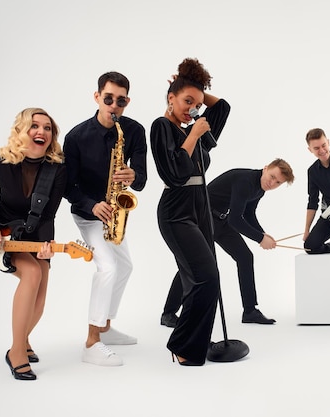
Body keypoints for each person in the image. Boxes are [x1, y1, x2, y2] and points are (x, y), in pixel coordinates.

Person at [63, 71, 147, 366]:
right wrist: (92, 204)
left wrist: (134, 174)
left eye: (120, 101)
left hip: (115, 213)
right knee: (108, 267)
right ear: (97, 97)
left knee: (125, 265)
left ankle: (105, 327)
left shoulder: (134, 131)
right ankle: (91, 342)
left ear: (127, 101)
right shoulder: (76, 137)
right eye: (108, 98)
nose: (114, 106)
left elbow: (143, 179)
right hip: (88, 214)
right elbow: (67, 187)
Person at [150, 57, 231, 366]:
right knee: (205, 277)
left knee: (200, 278)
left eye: (196, 104)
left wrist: (194, 88)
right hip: (176, 211)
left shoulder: (195, 129)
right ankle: (182, 344)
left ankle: (197, 340)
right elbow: (174, 174)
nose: (192, 109)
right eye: (185, 101)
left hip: (199, 207)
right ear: (170, 99)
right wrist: (194, 133)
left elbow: (222, 107)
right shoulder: (162, 128)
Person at [0, 108, 66, 380]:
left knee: (40, 296)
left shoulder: (58, 166)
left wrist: (47, 243)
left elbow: (49, 213)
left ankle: (24, 339)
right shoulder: (3, 158)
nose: (41, 132)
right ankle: (16, 351)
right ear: (23, 130)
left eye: (47, 128)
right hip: (3, 232)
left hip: (36, 233)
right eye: (35, 126)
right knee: (32, 273)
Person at [160, 159, 296, 328]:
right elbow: (236, 220)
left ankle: (250, 311)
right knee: (193, 265)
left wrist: (262, 234)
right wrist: (260, 239)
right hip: (202, 217)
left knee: (245, 257)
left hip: (220, 220)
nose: (272, 183)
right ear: (266, 168)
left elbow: (248, 214)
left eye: (278, 182)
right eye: (272, 176)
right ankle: (168, 313)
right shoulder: (245, 181)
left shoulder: (260, 189)